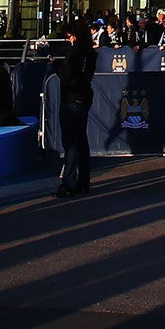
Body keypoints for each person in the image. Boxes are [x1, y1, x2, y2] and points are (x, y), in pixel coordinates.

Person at [54, 16, 95, 197]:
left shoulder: (74, 54)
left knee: (70, 142)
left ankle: (69, 181)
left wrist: (56, 65)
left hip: (71, 98)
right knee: (81, 139)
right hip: (84, 97)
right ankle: (83, 179)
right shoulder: (91, 53)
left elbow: (66, 76)